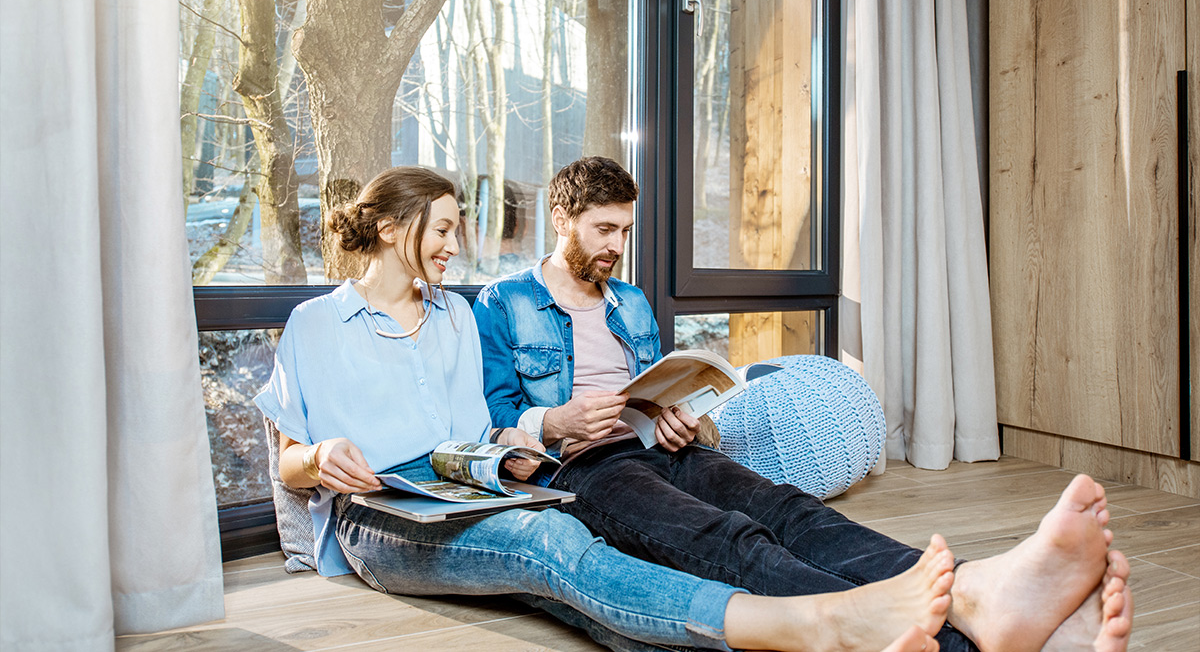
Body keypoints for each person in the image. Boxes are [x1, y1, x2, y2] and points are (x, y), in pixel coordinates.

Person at [254, 166, 966, 652]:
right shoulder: (318, 323)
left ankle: (950, 610)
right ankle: (824, 621)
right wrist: (317, 458)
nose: (454, 244)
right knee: (553, 549)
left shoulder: (453, 319)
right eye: (442, 229)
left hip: (465, 490)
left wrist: (509, 454)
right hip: (378, 513)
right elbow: (289, 461)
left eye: (455, 228)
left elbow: (474, 435)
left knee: (590, 597)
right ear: (388, 228)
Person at [473, 156, 1134, 652]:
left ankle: (975, 592)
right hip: (585, 469)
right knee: (731, 539)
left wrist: (681, 414)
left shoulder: (632, 301)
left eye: (624, 229)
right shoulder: (504, 302)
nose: (616, 245)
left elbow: (653, 386)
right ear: (563, 219)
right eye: (603, 229)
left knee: (793, 509)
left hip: (663, 447)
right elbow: (491, 423)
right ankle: (959, 634)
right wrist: (555, 421)